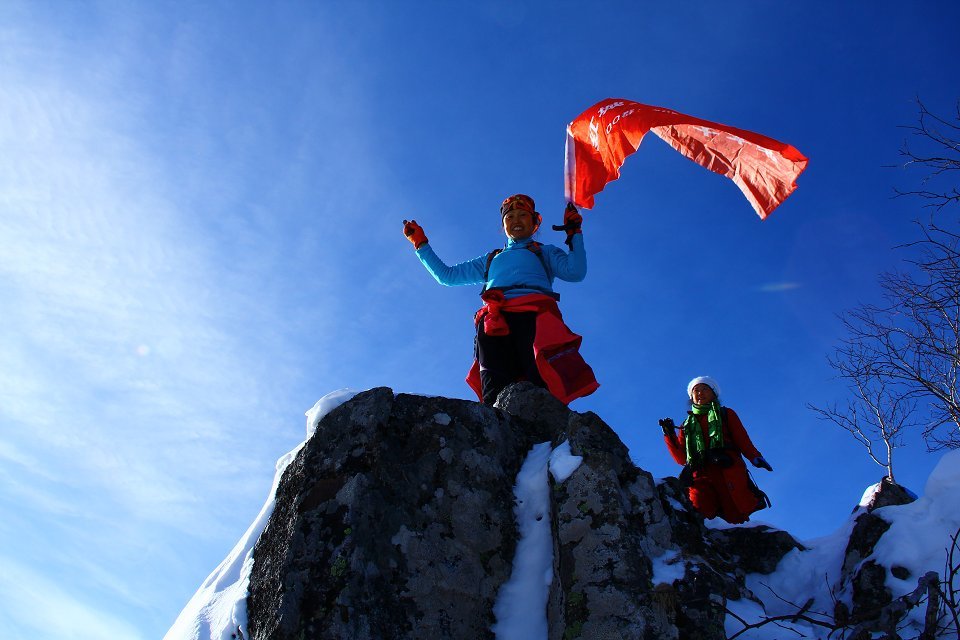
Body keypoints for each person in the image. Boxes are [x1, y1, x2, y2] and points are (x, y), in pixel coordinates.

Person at [402, 194, 598, 405]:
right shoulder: (491, 258)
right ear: (503, 224)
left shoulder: (544, 252)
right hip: (494, 321)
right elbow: (447, 276)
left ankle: (545, 431)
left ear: (535, 223)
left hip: (534, 316)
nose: (516, 220)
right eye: (510, 216)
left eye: (523, 215)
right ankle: (495, 430)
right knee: (493, 386)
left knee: (539, 377)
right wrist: (421, 244)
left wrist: (574, 233)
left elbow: (575, 272)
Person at [660, 376, 773, 524]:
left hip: (727, 468)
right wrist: (669, 435)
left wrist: (755, 457)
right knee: (701, 510)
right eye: (696, 390)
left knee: (734, 511)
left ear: (714, 393)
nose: (700, 393)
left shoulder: (726, 414)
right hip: (699, 473)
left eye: (705, 389)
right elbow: (682, 458)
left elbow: (742, 439)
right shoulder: (687, 424)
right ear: (691, 397)